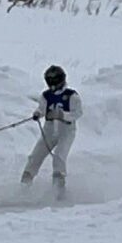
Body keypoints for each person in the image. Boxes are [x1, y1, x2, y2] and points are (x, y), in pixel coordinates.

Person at [21, 65, 82, 194]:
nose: (53, 84)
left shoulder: (71, 95)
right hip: (49, 131)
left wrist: (62, 115)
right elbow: (42, 109)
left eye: (55, 80)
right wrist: (38, 113)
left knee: (59, 157)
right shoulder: (46, 96)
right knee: (35, 156)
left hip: (66, 131)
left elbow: (77, 113)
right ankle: (24, 186)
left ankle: (59, 189)